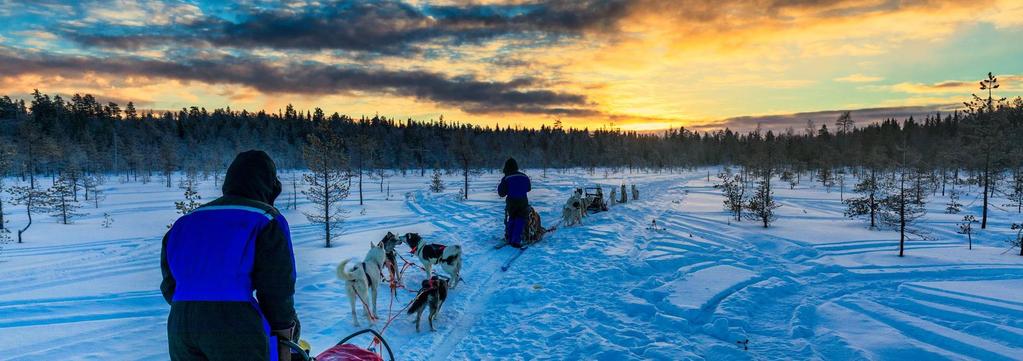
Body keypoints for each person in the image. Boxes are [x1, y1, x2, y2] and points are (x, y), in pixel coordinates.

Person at [161, 150, 298, 361]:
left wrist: (197, 308)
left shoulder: (185, 222)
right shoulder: (266, 219)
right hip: (235, 325)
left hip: (181, 325)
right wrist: (285, 334)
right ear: (270, 185)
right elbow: (277, 286)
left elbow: (170, 283)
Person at [498, 158, 531, 248]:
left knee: (512, 217)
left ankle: (509, 237)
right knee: (520, 218)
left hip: (511, 201)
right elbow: (528, 188)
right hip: (523, 201)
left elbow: (501, 193)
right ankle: (516, 239)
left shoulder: (506, 178)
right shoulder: (524, 176)